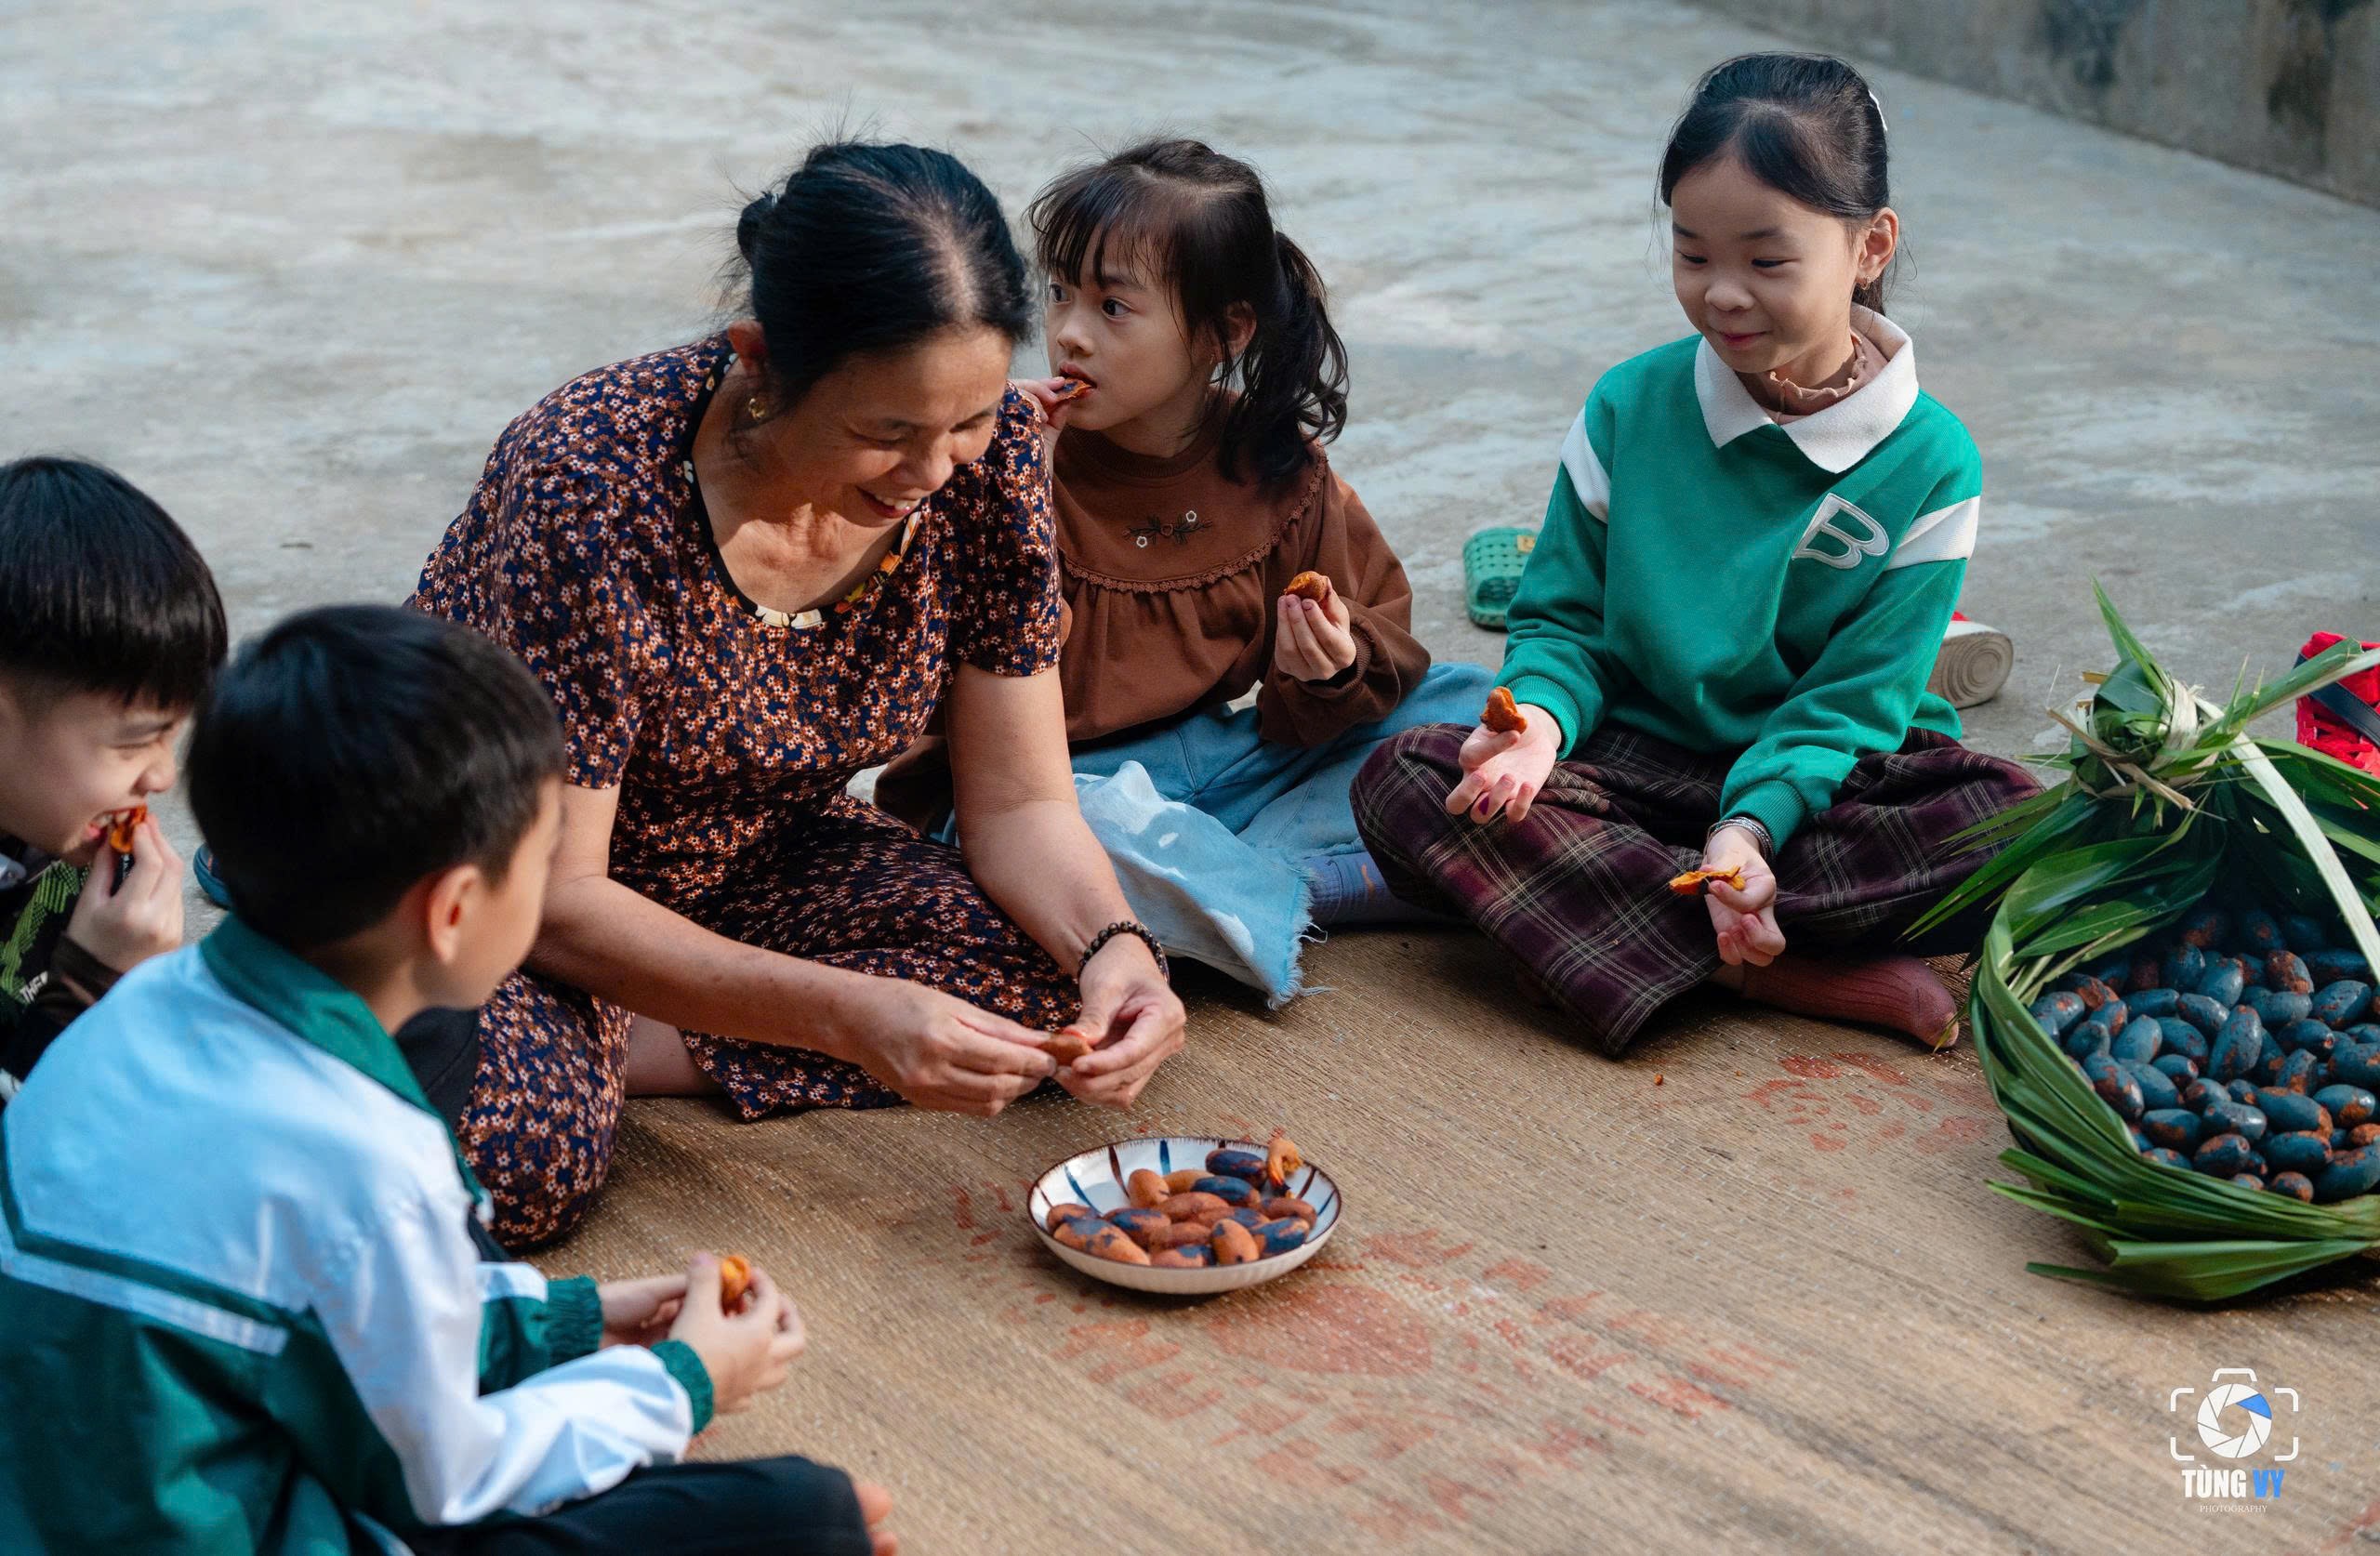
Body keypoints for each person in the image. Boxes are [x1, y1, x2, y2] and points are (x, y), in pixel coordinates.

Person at [412, 140, 1185, 1246]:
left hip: (753, 849)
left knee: (1045, 995)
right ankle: (533, 1023)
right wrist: (845, 1015)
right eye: (885, 434)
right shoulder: (592, 487)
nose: (933, 473)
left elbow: (1020, 802)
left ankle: (612, 1030)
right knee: (512, 1161)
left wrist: (1116, 950)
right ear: (761, 362)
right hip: (494, 881)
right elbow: (557, 890)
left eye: (967, 420)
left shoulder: (992, 465)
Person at [0, 606, 894, 1554]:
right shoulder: (373, 1159)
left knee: (754, 1501)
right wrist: (682, 1382)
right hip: (231, 1522)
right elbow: (444, 1481)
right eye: (539, 861)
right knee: (799, 1515)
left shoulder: (135, 1002)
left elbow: (330, 1316)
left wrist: (568, 1325)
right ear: (456, 910)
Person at [1354, 54, 2040, 1054]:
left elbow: (1851, 706)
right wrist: (1537, 726)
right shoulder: (1630, 406)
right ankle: (1769, 968)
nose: (1722, 294)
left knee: (2012, 824)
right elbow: (1563, 624)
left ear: (1870, 246)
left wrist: (1747, 832)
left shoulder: (1930, 462)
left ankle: (1626, 924)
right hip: (1631, 761)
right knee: (1404, 780)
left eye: (1767, 262)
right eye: (1692, 255)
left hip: (1816, 783)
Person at [877, 139, 1493, 1004]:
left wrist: (1329, 665)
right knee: (1102, 838)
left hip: (1212, 773)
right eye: (1058, 292)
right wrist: (1018, 497)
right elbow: (919, 678)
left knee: (1464, 706)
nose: (1069, 332)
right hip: (1042, 800)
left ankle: (1230, 891)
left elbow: (1371, 645)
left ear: (1224, 331)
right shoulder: (994, 450)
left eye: (1113, 306)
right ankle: (1316, 885)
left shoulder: (1275, 467)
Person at [0, 456, 223, 1099]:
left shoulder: (65, 832)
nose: (163, 774)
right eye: (134, 742)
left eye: (172, 734)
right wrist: (88, 989)